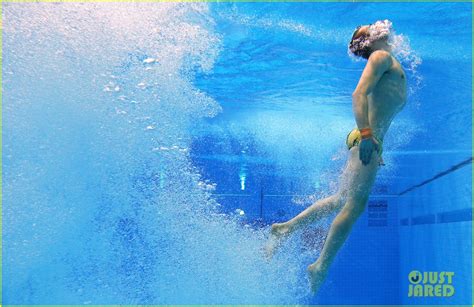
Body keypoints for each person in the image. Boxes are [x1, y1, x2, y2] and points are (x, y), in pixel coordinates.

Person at [265, 20, 407, 293]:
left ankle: (284, 229)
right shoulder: (380, 57)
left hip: (368, 141)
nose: (376, 26)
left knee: (342, 200)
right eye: (368, 26)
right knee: (353, 205)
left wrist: (372, 141)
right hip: (365, 139)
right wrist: (367, 135)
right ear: (368, 41)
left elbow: (377, 105)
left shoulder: (386, 58)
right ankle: (320, 265)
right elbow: (358, 94)